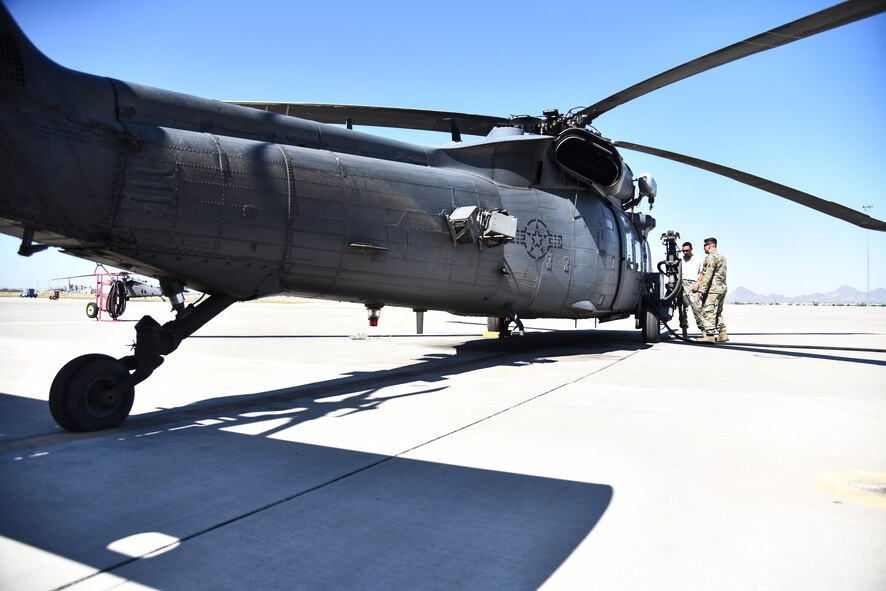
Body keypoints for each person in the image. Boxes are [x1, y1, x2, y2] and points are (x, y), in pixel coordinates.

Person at [692, 237, 728, 343]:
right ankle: (722, 333)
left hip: (713, 289)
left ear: (709, 245)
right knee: (718, 312)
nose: (703, 248)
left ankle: (709, 335)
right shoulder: (722, 256)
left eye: (704, 245)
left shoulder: (711, 257)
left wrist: (701, 290)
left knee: (709, 311)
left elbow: (708, 275)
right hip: (722, 288)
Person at [680, 242, 704, 333]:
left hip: (693, 284)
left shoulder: (698, 259)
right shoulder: (680, 260)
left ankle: (704, 332)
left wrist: (697, 284)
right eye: (683, 251)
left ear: (691, 249)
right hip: (682, 284)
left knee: (697, 308)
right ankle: (684, 331)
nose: (685, 252)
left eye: (687, 250)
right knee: (682, 310)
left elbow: (702, 273)